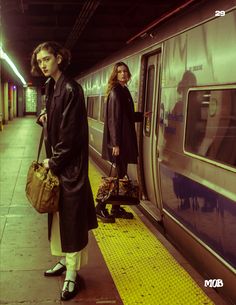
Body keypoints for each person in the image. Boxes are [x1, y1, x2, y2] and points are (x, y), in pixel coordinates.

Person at [31, 41, 98, 301]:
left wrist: (53, 162)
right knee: (59, 218)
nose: (43, 65)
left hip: (69, 168)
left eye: (47, 59)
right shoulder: (51, 86)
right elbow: (54, 118)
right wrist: (43, 118)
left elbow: (72, 136)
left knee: (71, 221)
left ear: (59, 58)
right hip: (59, 164)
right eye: (40, 62)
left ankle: (72, 273)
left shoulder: (71, 88)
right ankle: (63, 260)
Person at [96, 62, 145, 223]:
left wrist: (142, 116)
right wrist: (116, 144)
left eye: (125, 71)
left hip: (123, 140)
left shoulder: (123, 90)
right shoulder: (117, 92)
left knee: (121, 173)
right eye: (120, 72)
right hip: (119, 142)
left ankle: (115, 208)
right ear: (115, 75)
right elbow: (114, 120)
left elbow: (127, 115)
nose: (123, 74)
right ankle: (100, 206)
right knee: (117, 174)